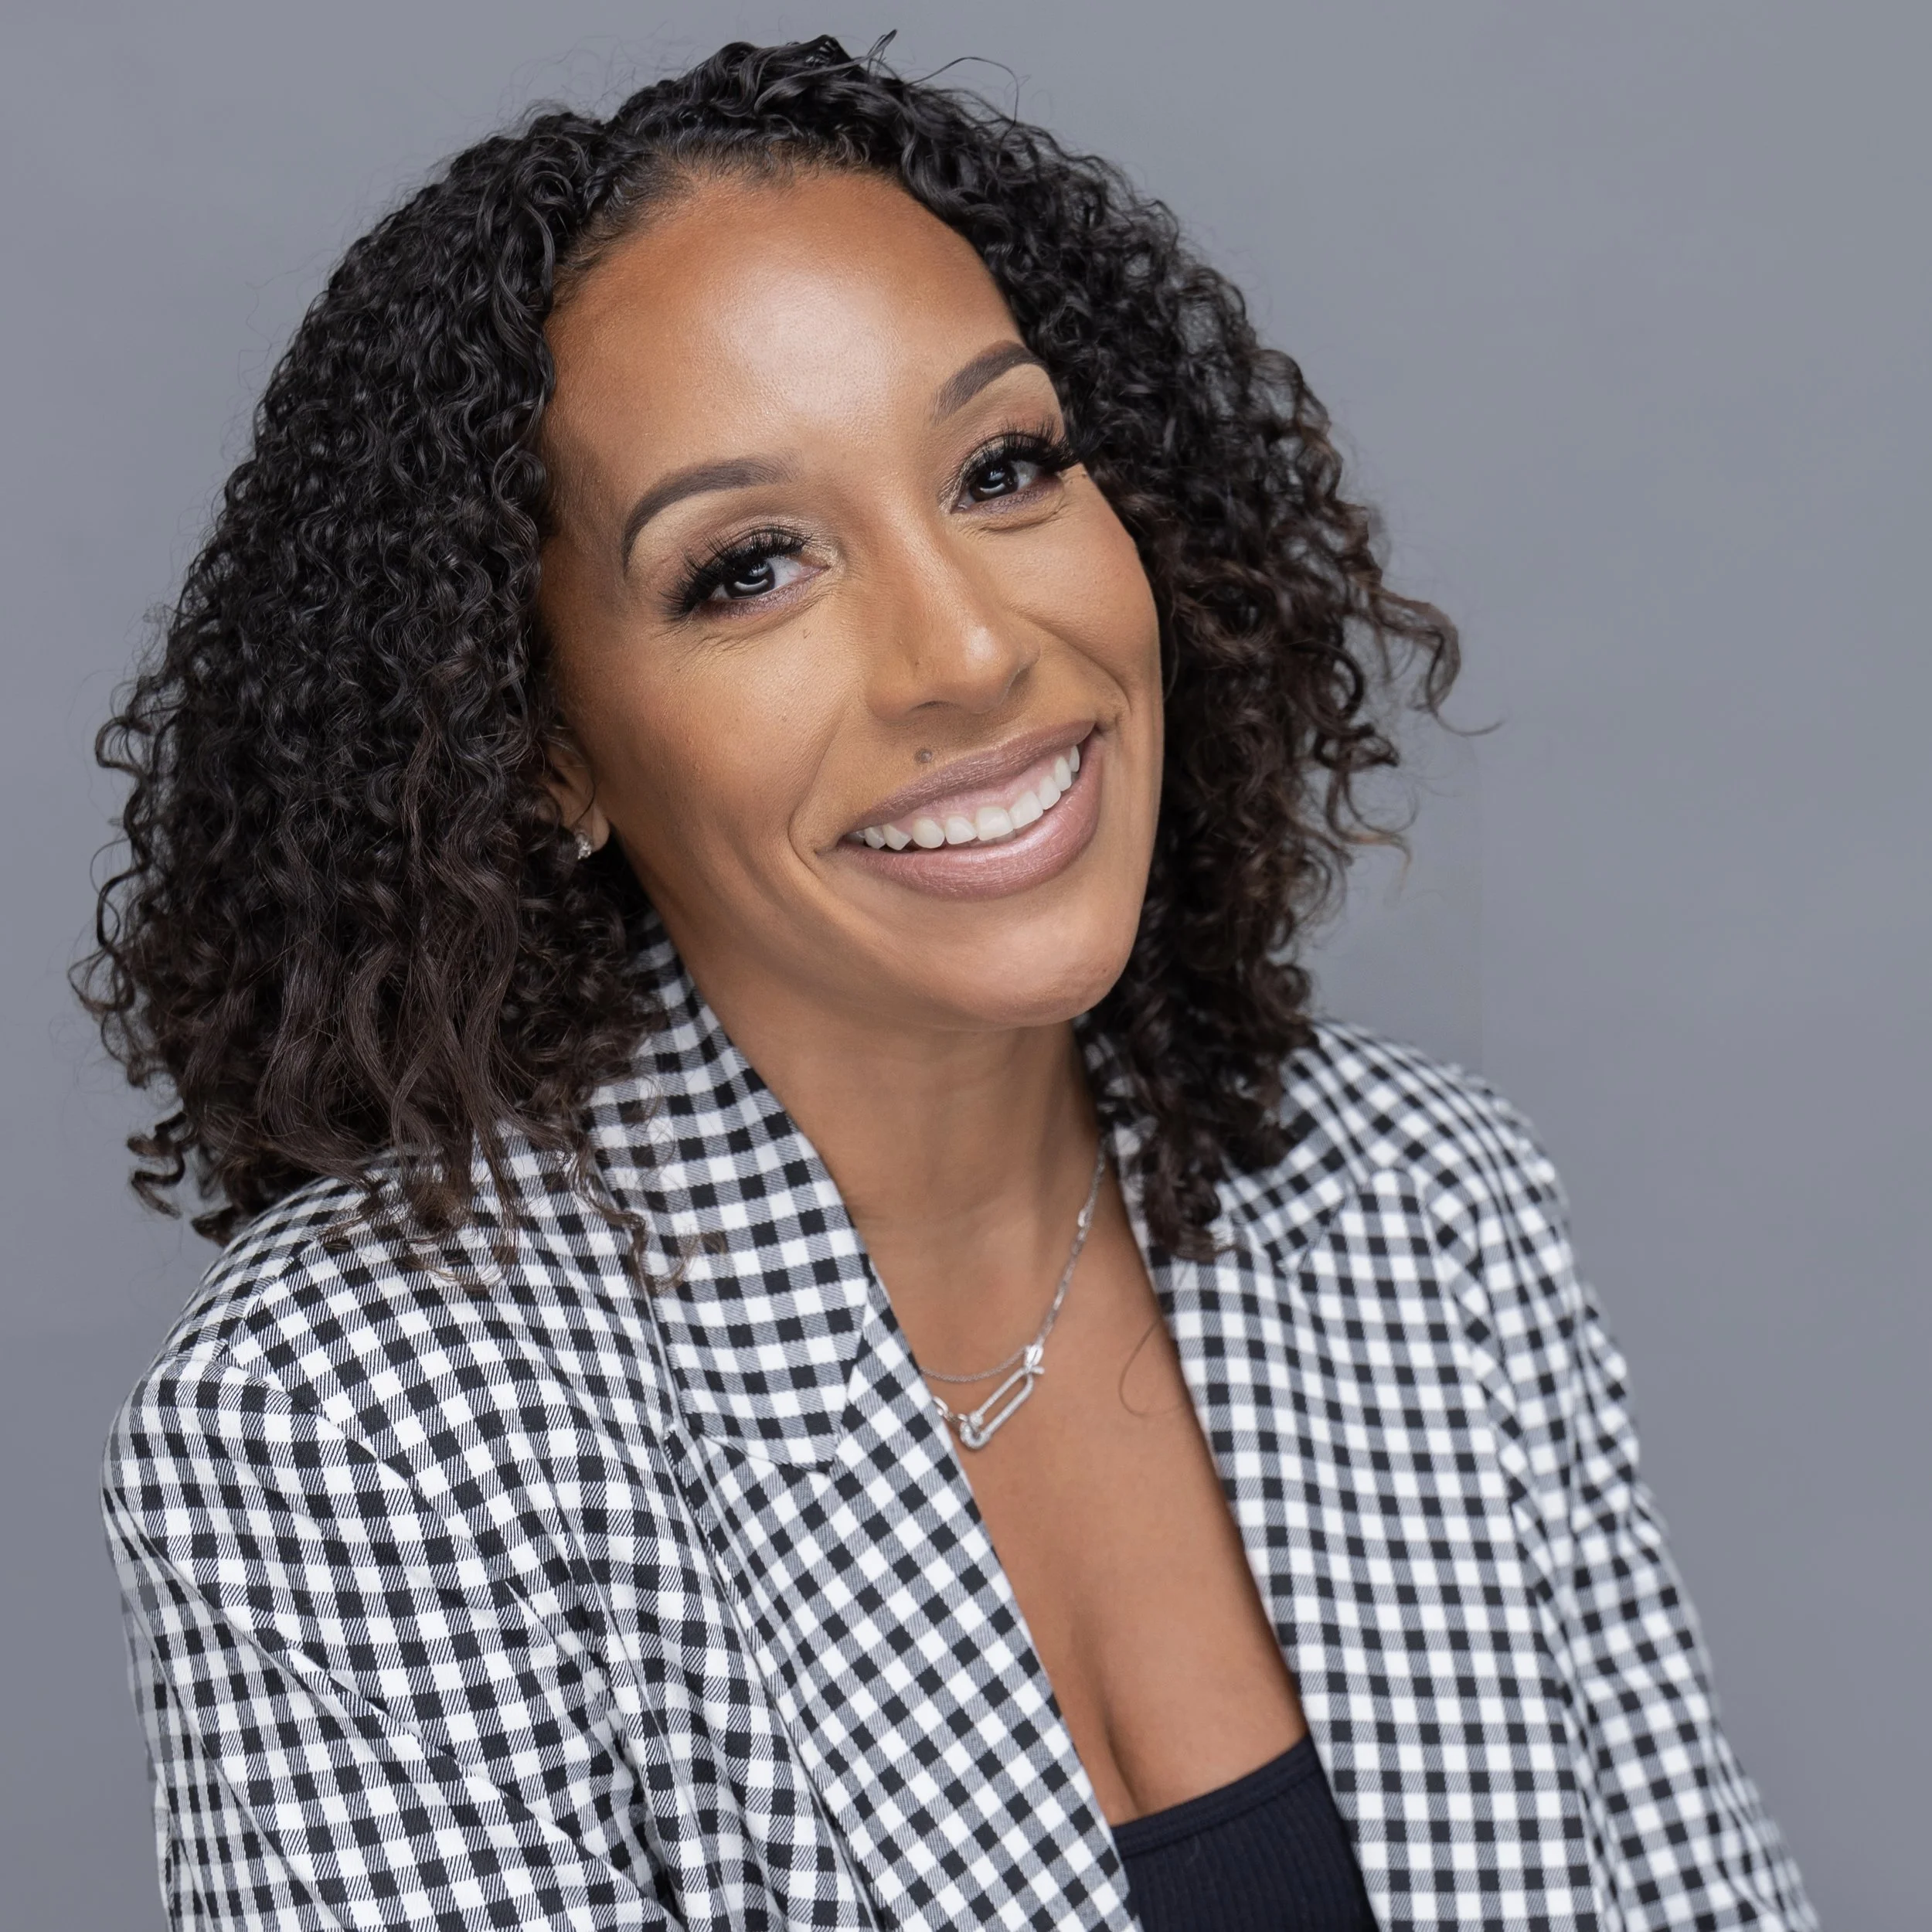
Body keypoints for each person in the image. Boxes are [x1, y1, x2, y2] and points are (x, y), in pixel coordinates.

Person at [84, 36, 1816, 1932]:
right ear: (538, 753)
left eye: (1002, 466)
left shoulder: (1425, 1210)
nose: (970, 648)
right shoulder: (360, 1427)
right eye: (748, 567)